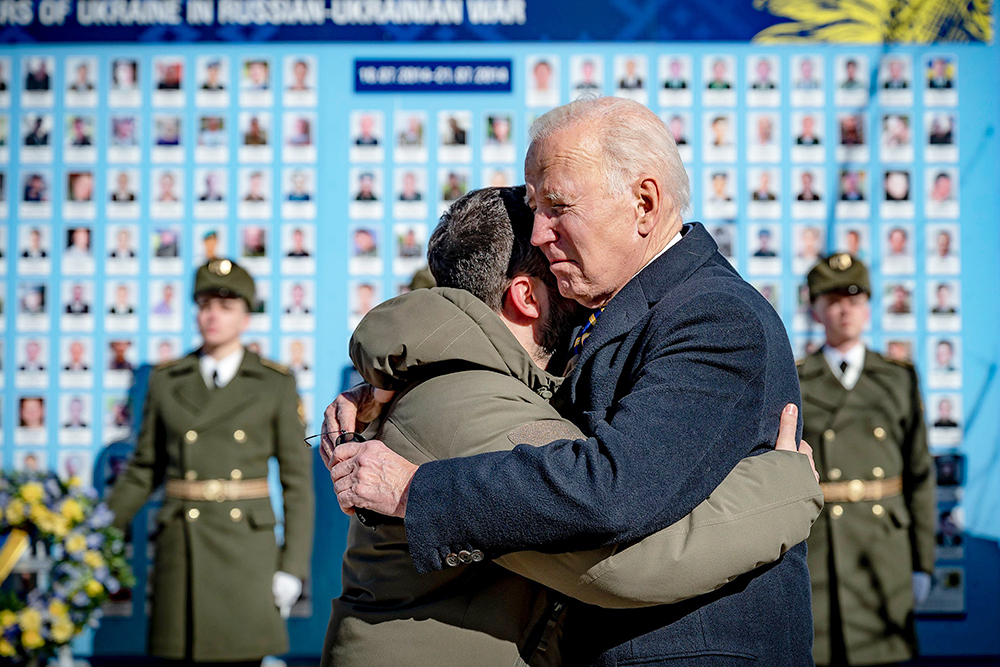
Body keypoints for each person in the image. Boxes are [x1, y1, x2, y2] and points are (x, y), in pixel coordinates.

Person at [326, 97, 817, 666]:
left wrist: (418, 489)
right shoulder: (616, 307)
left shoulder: (710, 316)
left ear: (644, 202)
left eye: (558, 206)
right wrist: (389, 389)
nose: (537, 233)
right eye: (534, 208)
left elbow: (614, 491)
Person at [105, 258, 313, 666]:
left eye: (226, 305)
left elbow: (297, 482)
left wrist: (292, 566)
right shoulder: (167, 381)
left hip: (246, 551)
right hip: (182, 544)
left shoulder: (274, 382)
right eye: (205, 304)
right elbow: (144, 469)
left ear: (245, 316)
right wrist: (95, 534)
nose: (212, 315)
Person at [798, 254, 936, 667]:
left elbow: (920, 475)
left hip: (883, 548)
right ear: (816, 309)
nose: (845, 310)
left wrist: (922, 564)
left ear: (869, 307)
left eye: (855, 300)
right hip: (822, 548)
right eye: (834, 300)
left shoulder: (897, 377)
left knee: (883, 654)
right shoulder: (798, 378)